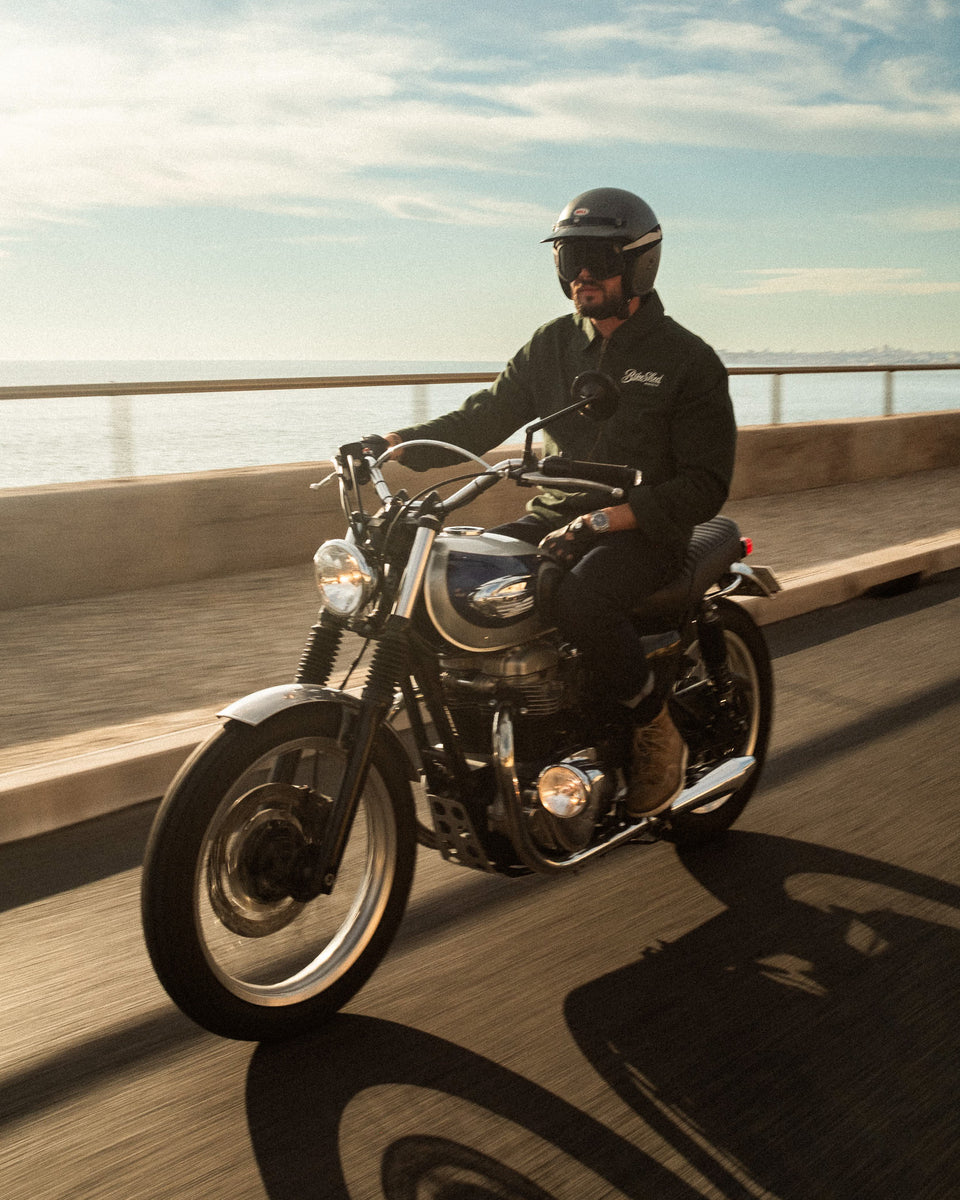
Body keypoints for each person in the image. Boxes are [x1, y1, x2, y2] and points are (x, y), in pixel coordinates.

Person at [351, 187, 737, 817]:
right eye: (569, 258)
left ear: (639, 263)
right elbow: (486, 415)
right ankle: (489, 734)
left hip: (641, 532)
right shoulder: (553, 344)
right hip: (556, 519)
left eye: (598, 258)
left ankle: (653, 724)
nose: (582, 273)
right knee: (447, 576)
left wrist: (613, 516)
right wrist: (396, 443)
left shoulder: (687, 360)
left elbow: (704, 483)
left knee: (580, 595)